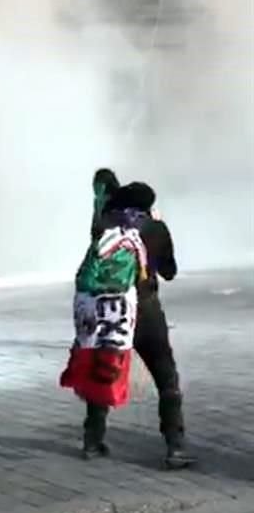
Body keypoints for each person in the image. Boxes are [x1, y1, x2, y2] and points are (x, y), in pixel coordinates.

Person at [80, 182, 196, 468]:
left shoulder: (105, 226)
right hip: (145, 312)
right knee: (166, 377)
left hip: (109, 314)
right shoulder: (154, 228)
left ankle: (92, 441)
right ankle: (175, 446)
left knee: (103, 371)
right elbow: (169, 271)